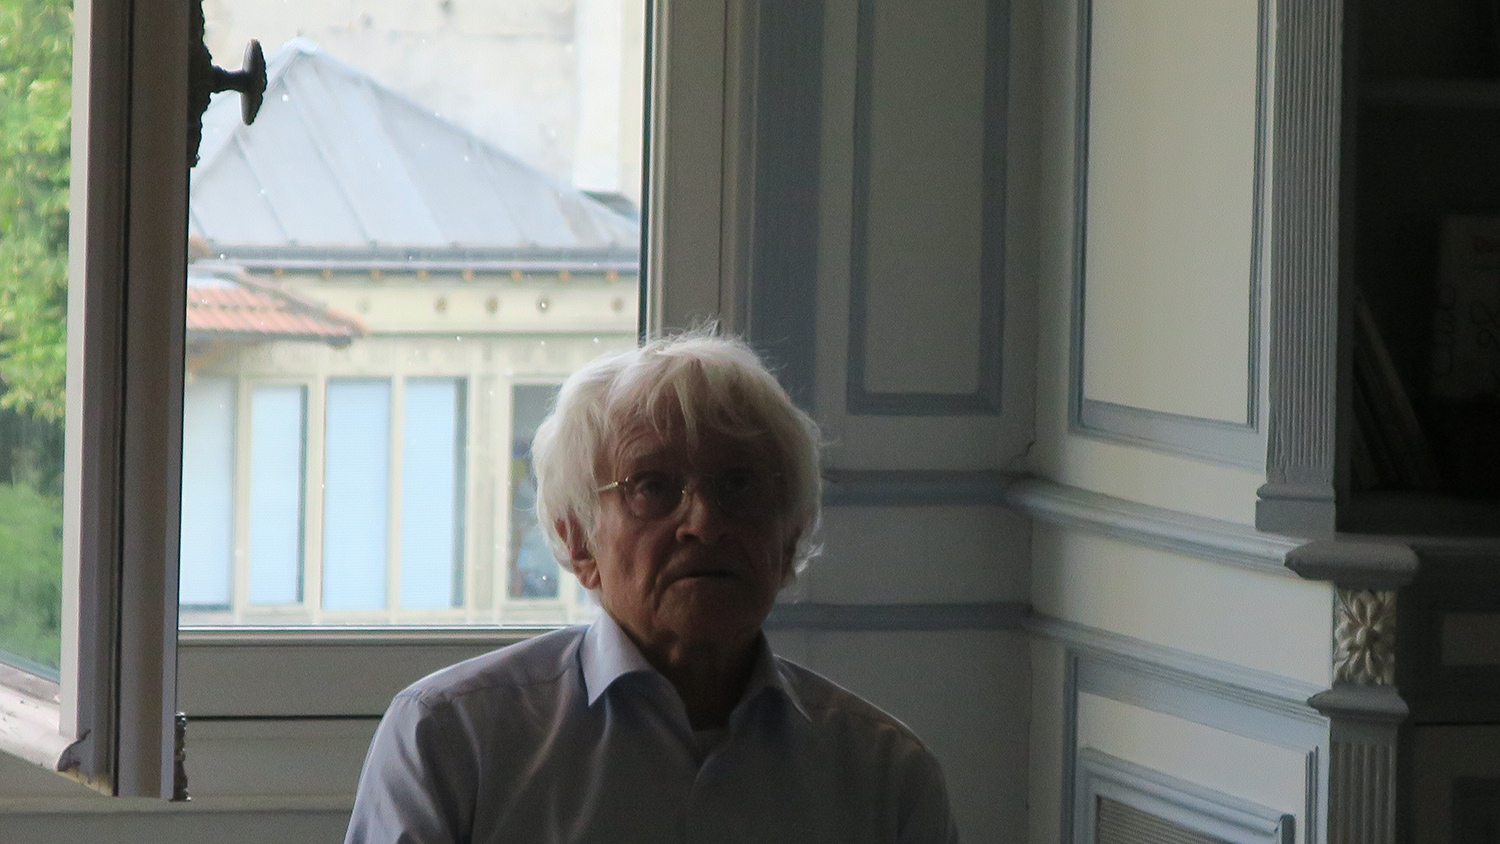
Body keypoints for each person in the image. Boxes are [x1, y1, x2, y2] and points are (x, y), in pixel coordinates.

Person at [344, 330, 959, 843]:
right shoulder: (451, 740)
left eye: (739, 484)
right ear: (579, 542)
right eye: (653, 487)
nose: (704, 523)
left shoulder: (886, 778)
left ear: (790, 537)